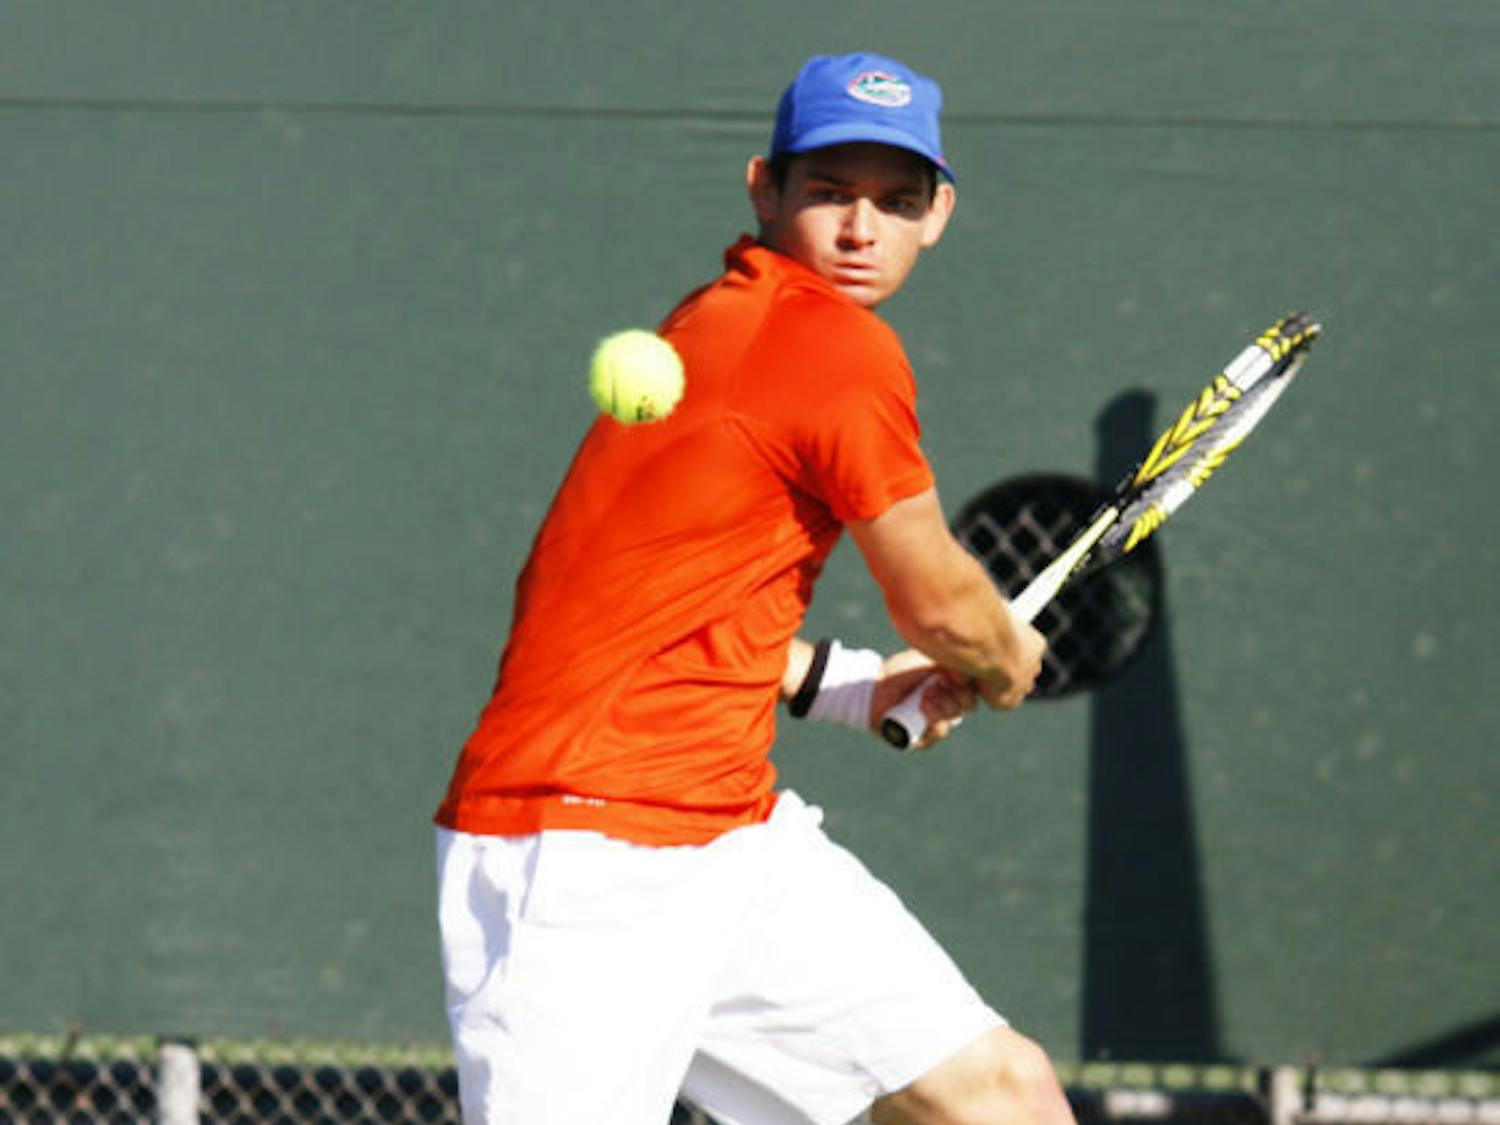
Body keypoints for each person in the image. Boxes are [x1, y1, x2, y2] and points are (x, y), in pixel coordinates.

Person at [433, 51, 1075, 1125]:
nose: (862, 228)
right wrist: (1005, 661)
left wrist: (852, 685)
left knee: (1001, 1096)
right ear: (764, 189)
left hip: (727, 834)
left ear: (939, 213)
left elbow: (664, 619)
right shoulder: (830, 347)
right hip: (582, 853)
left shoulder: (712, 325)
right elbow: (944, 608)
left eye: (896, 201)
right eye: (830, 193)